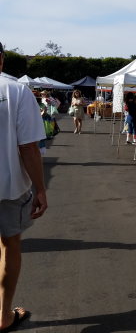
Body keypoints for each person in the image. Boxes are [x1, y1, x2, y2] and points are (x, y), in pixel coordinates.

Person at [0, 42, 48, 331]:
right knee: (10, 246)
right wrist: (40, 189)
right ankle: (4, 314)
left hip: (10, 187)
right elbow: (29, 147)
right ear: (2, 59)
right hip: (9, 187)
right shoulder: (16, 91)